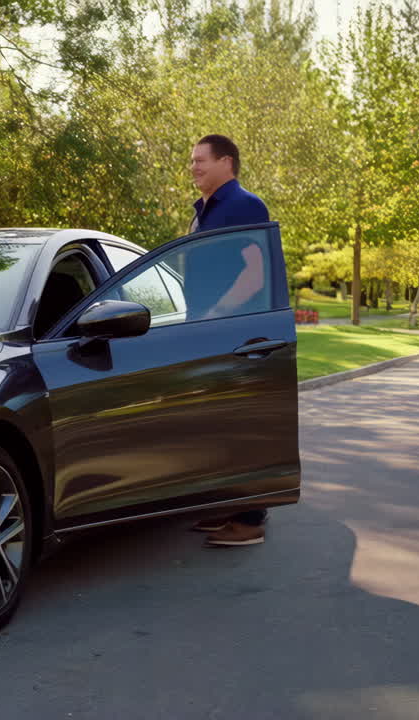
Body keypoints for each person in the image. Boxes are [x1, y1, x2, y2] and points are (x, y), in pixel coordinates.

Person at [185, 134, 273, 547]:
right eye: (191, 161)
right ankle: (228, 505)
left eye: (201, 160)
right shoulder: (203, 211)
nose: (194, 167)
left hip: (234, 335)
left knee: (240, 426)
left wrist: (217, 314)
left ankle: (250, 519)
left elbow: (254, 273)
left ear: (227, 162)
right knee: (215, 425)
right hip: (206, 336)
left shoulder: (244, 205)